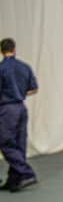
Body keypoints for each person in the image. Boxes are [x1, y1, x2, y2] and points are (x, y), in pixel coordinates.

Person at [0, 38, 39, 192]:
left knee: (5, 143)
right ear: (14, 49)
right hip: (21, 108)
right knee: (19, 144)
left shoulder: (1, 69)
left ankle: (26, 173)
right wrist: (19, 93)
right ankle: (13, 179)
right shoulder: (24, 67)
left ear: (2, 51)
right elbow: (34, 89)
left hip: (7, 109)